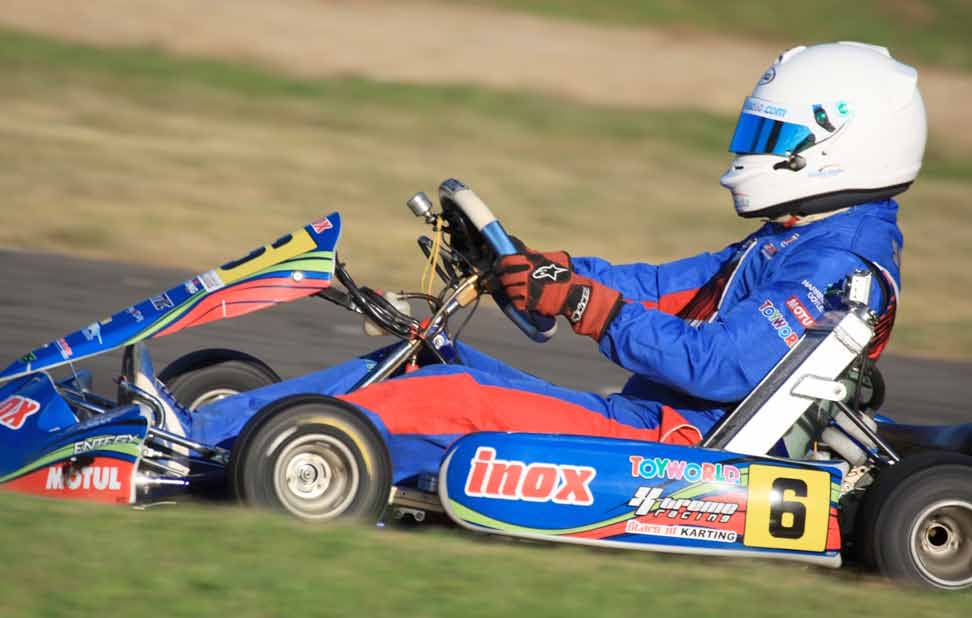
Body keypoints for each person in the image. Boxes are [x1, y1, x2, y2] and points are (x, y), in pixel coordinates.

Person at [330, 42, 926, 483]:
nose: (753, 151)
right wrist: (556, 270)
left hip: (678, 448)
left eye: (772, 138)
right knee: (427, 364)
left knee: (455, 396)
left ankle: (290, 443)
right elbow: (664, 288)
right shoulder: (796, 237)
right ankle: (262, 428)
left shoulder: (835, 265)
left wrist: (586, 303)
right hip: (651, 420)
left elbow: (718, 365)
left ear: (839, 146)